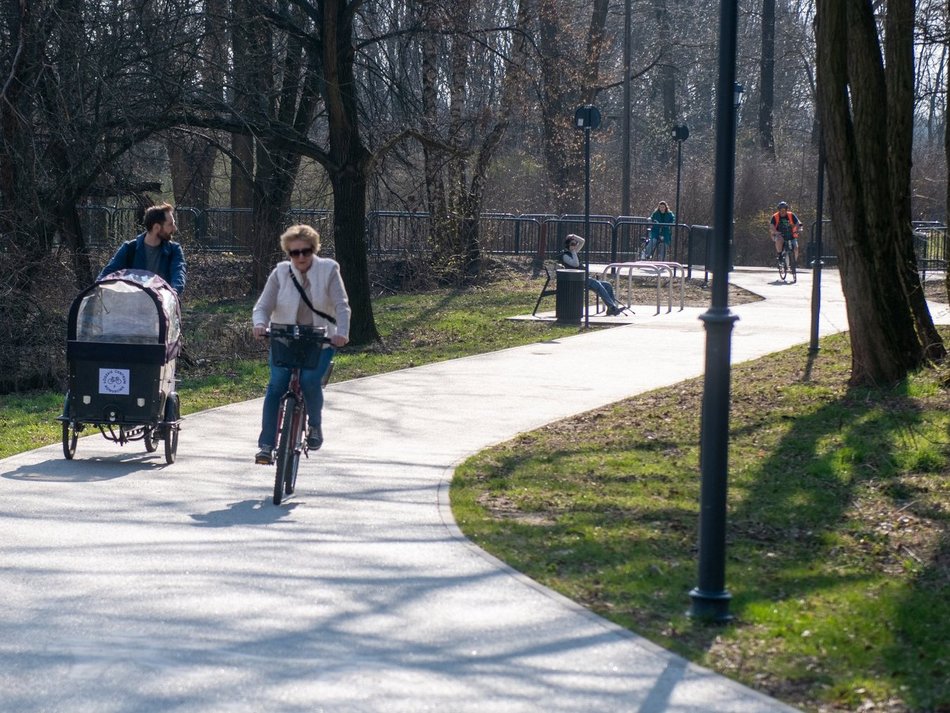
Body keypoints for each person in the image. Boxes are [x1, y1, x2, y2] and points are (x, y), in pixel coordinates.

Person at [252, 224, 350, 464]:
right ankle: (266, 445)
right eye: (294, 252)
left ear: (314, 250)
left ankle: (314, 425)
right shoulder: (280, 273)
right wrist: (260, 324)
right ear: (288, 253)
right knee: (276, 385)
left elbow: (341, 305)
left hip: (320, 341)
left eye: (306, 251)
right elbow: (263, 306)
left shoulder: (329, 269)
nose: (301, 257)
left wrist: (342, 333)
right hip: (285, 339)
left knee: (309, 381)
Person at [98, 202, 187, 295]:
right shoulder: (129, 249)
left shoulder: (174, 250)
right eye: (170, 224)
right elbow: (108, 273)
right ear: (156, 227)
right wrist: (97, 290)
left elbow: (178, 273)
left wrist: (173, 293)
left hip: (163, 302)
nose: (175, 228)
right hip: (133, 302)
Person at [560, 234, 624, 316]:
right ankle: (613, 307)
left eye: (575, 244)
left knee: (607, 285)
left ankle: (610, 309)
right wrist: (573, 252)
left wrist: (573, 236)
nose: (575, 246)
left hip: (584, 278)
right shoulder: (565, 255)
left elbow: (582, 241)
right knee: (597, 284)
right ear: (567, 245)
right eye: (572, 244)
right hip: (576, 280)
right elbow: (575, 264)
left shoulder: (573, 253)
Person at [770, 201, 802, 280]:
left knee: (796, 248)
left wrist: (798, 229)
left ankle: (793, 263)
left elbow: (798, 223)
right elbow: (772, 226)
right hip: (779, 234)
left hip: (791, 235)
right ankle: (780, 256)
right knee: (779, 239)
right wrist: (776, 232)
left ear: (786, 209)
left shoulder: (791, 215)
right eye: (781, 209)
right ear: (779, 209)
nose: (783, 211)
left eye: (784, 209)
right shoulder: (775, 216)